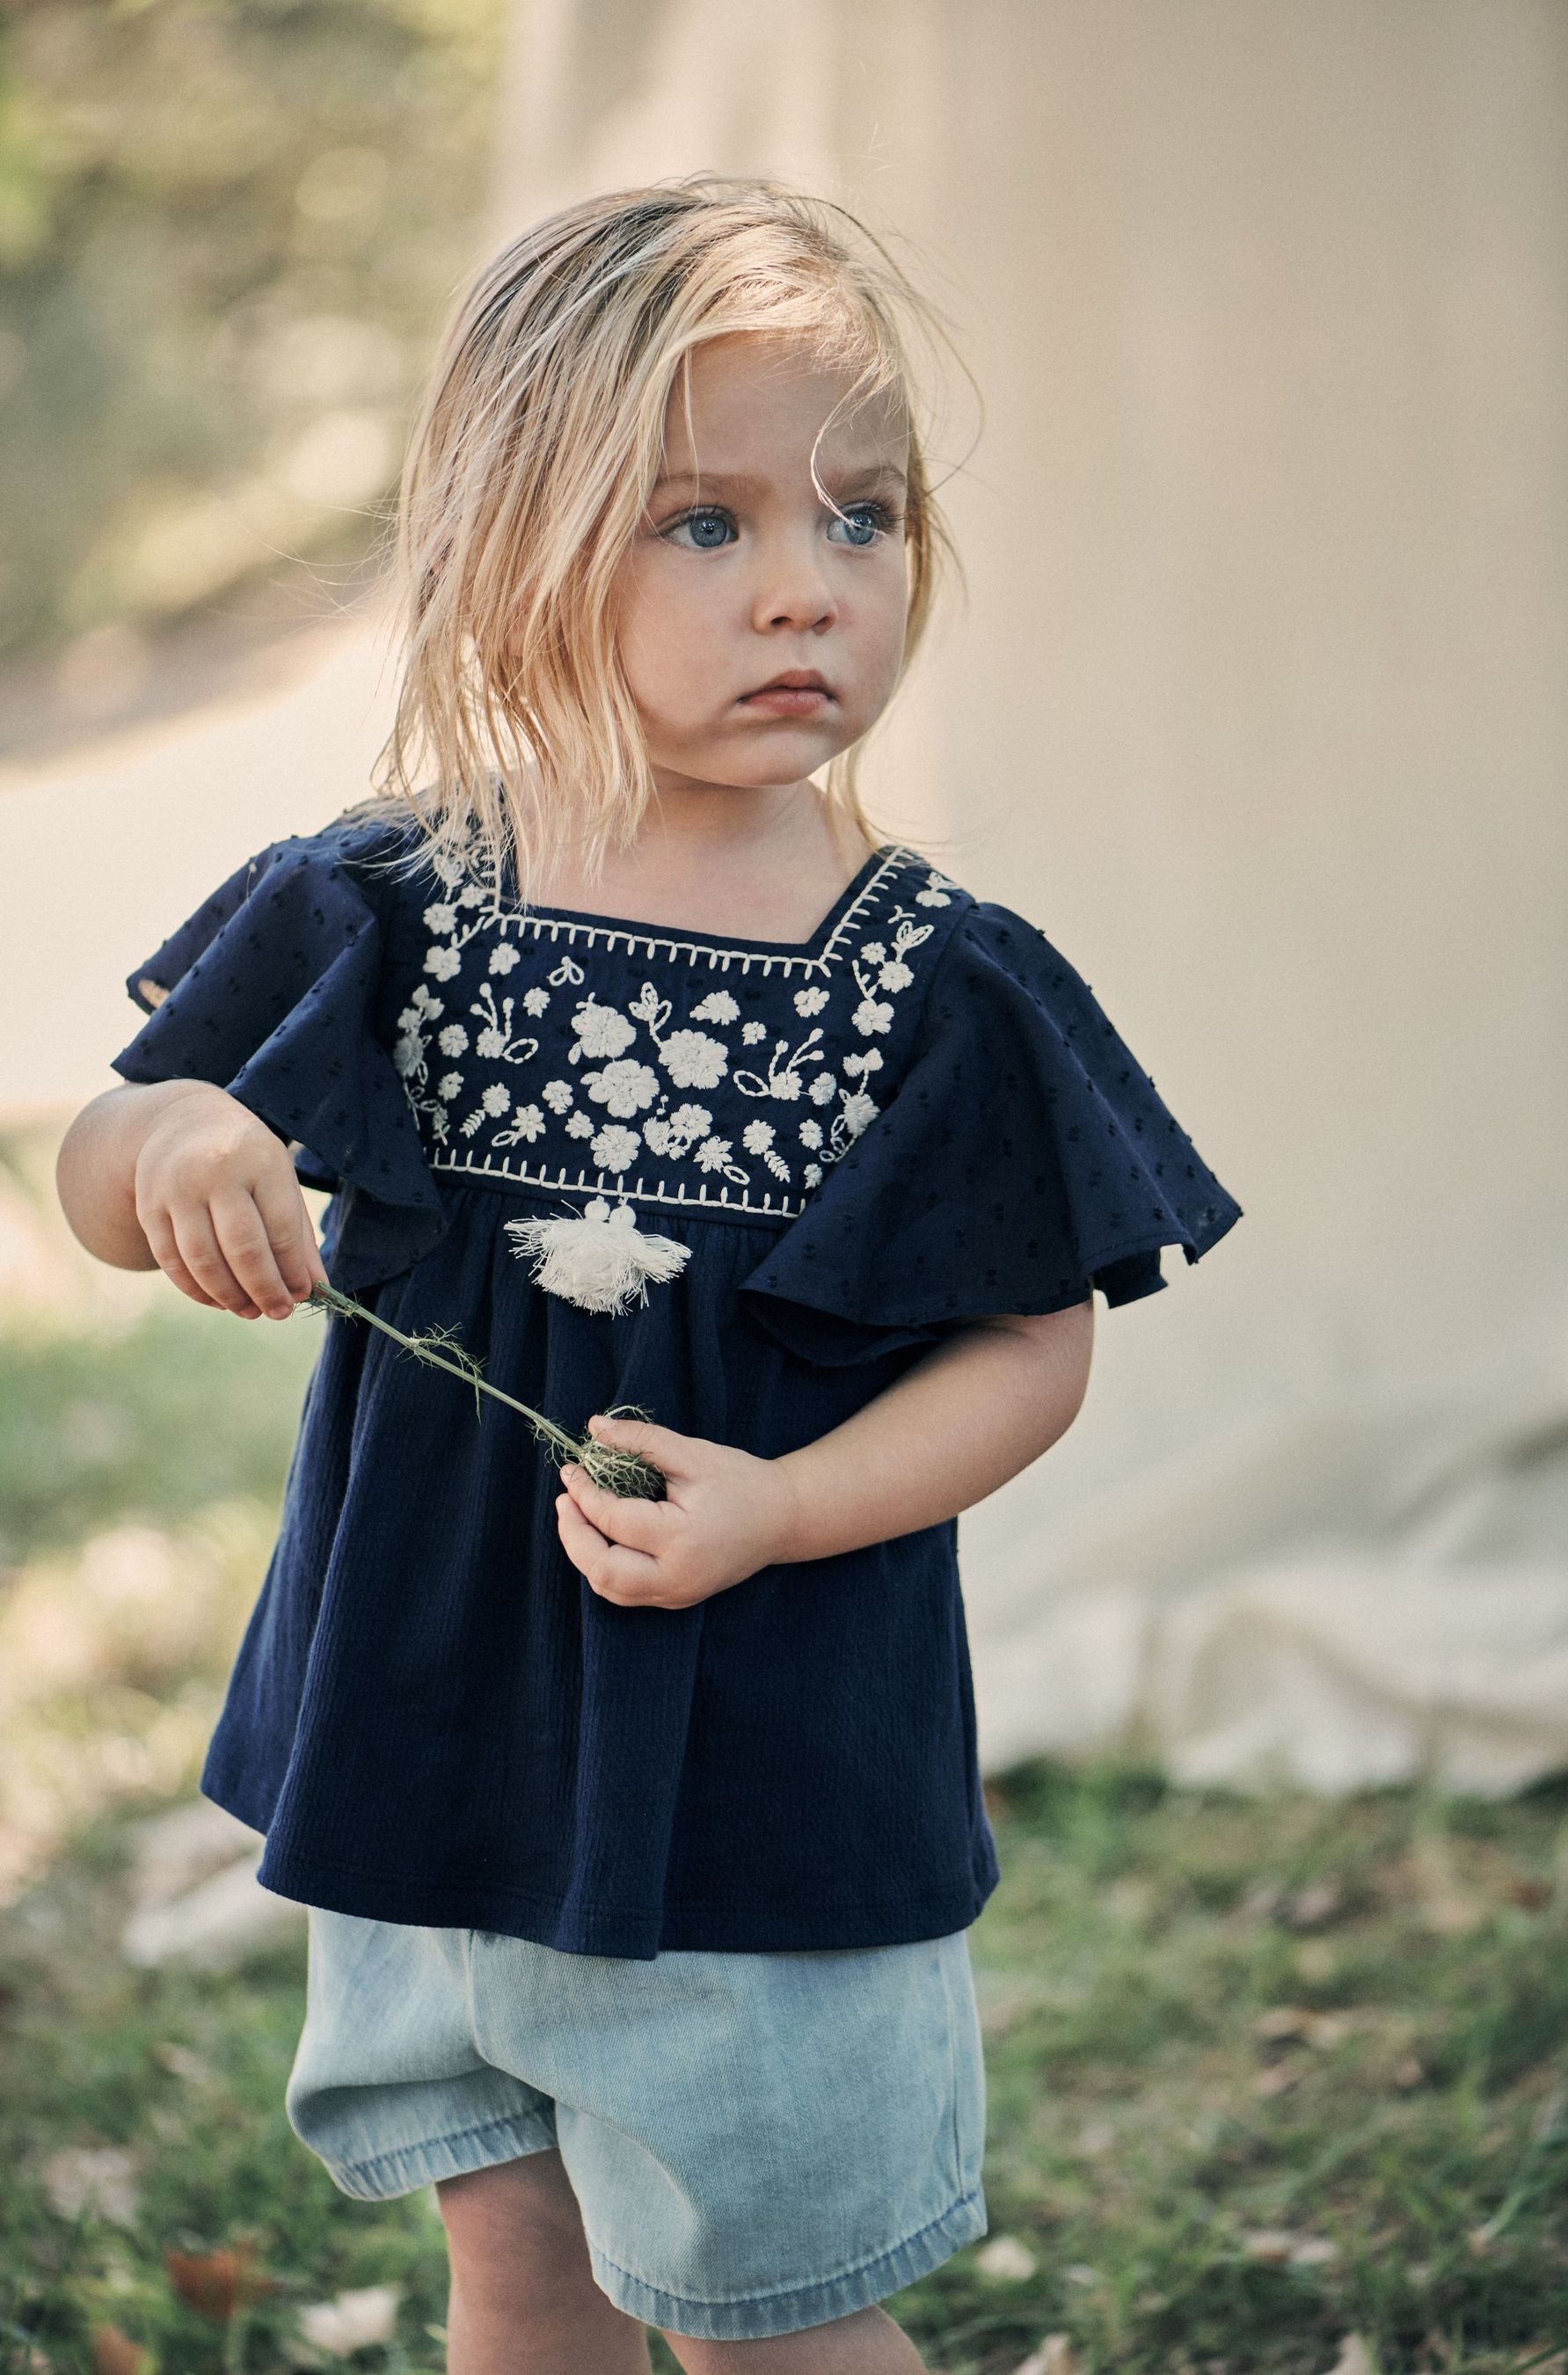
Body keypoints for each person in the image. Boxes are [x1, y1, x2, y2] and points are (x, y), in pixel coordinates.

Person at [56, 176, 1241, 2375]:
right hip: (433, 1732)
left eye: (859, 518)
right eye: (700, 526)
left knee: (769, 2317)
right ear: (514, 543)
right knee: (514, 2260)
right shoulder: (392, 901)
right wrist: (184, 1142)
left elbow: (1031, 1342)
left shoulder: (935, 988)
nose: (805, 588)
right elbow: (105, 1157)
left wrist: (788, 1509)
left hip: (757, 1771)